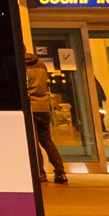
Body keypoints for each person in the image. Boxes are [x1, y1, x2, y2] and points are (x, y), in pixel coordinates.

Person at [25, 52, 67, 185]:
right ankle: (60, 172)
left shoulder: (21, 66)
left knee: (34, 141)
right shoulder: (41, 64)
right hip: (44, 106)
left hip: (31, 106)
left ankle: (40, 172)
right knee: (47, 140)